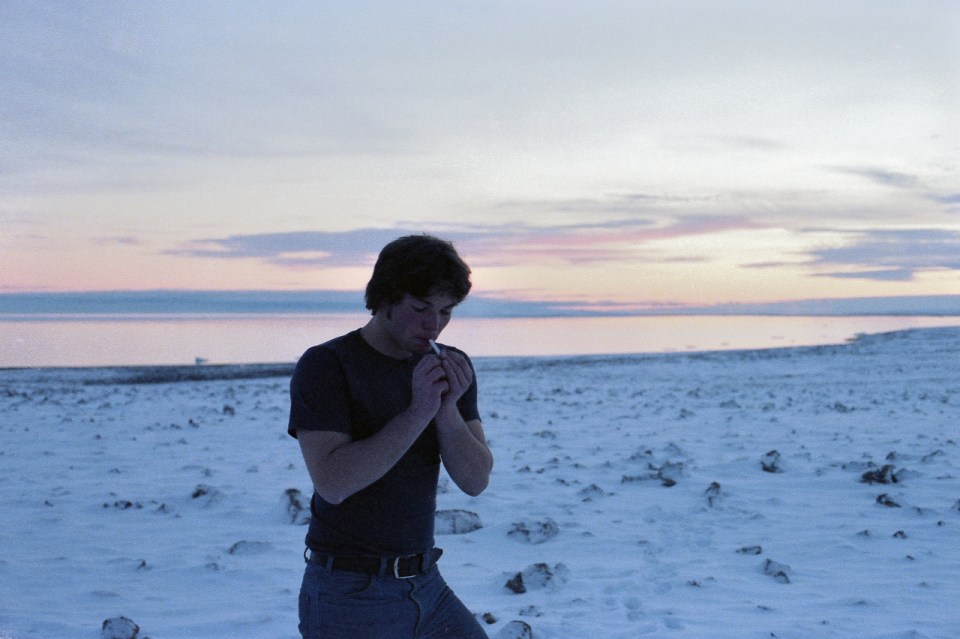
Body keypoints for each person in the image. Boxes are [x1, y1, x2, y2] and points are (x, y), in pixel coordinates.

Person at [288, 234, 494, 638]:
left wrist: (446, 409)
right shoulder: (327, 365)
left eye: (446, 311)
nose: (434, 324)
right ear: (385, 299)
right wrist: (417, 411)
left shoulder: (450, 366)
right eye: (420, 308)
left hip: (426, 583)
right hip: (349, 593)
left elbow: (475, 480)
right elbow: (333, 482)